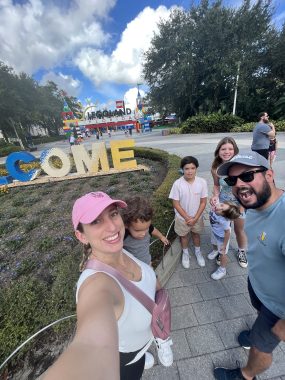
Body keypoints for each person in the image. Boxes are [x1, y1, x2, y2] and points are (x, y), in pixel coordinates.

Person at [42, 192, 158, 380]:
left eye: (113, 214)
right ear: (81, 236)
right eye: (96, 221)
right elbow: (90, 345)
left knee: (141, 357)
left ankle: (143, 353)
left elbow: (146, 279)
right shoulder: (98, 284)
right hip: (127, 361)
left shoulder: (121, 250)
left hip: (142, 343)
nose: (112, 227)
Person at [213, 151, 285, 380]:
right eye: (232, 180)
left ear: (270, 175)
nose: (240, 185)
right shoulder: (257, 201)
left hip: (278, 308)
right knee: (258, 316)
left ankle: (246, 374)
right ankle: (256, 331)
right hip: (259, 287)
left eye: (248, 176)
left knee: (259, 348)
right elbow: (246, 214)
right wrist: (229, 211)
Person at [121, 196, 173, 367]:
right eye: (138, 231)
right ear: (127, 225)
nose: (143, 234)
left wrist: (161, 237)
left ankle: (162, 338)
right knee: (140, 310)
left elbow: (152, 229)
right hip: (132, 279)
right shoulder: (122, 236)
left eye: (145, 229)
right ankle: (142, 343)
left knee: (160, 295)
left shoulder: (144, 227)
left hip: (149, 271)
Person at [210, 137, 248, 268]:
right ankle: (221, 252)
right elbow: (216, 185)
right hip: (223, 204)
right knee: (222, 231)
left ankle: (242, 251)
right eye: (223, 149)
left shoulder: (240, 166)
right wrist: (215, 196)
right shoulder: (215, 167)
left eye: (230, 149)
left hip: (239, 204)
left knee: (239, 230)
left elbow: (246, 187)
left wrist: (242, 206)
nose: (227, 152)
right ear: (218, 151)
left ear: (235, 150)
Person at [169, 156, 208, 269]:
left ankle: (197, 252)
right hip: (182, 219)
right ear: (182, 169)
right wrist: (187, 218)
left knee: (196, 234)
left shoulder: (202, 182)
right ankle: (185, 254)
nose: (190, 171)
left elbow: (203, 202)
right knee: (184, 236)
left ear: (196, 169)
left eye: (193, 168)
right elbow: (176, 204)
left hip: (197, 217)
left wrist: (195, 218)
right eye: (187, 168)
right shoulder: (177, 184)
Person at [208, 201, 241, 280]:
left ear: (224, 216)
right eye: (221, 205)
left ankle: (222, 269)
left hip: (222, 238)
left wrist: (224, 245)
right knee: (213, 243)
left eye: (222, 210)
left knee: (223, 253)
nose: (219, 207)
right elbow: (215, 202)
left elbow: (227, 233)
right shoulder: (216, 207)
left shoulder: (224, 221)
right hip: (214, 232)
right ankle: (215, 251)